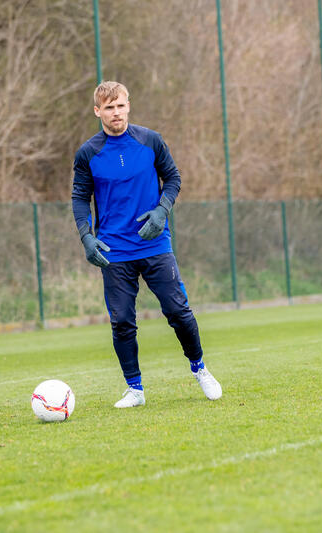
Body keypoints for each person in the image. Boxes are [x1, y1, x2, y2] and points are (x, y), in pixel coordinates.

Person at [71, 80, 222, 408]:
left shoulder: (150, 141)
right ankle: (135, 389)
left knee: (178, 311)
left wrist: (161, 211)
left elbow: (174, 178)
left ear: (129, 106)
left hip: (155, 245)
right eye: (108, 108)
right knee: (122, 320)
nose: (116, 113)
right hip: (114, 251)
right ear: (97, 111)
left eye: (120, 106)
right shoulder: (88, 153)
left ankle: (200, 368)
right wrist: (86, 237)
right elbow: (80, 197)